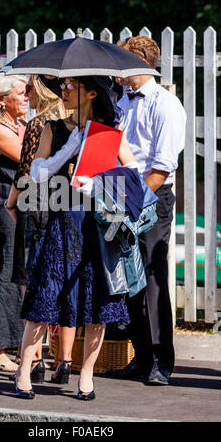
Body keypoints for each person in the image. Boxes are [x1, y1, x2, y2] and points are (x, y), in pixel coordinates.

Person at [14, 74, 137, 400]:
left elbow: (134, 177)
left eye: (71, 86)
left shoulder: (109, 134)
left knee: (98, 304)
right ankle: (24, 370)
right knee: (44, 298)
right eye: (63, 85)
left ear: (91, 92)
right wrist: (67, 150)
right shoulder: (54, 128)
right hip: (60, 224)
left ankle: (86, 376)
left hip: (97, 228)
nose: (64, 90)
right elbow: (35, 175)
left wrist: (102, 184)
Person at [107, 36, 186, 385]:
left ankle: (160, 361)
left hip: (152, 198)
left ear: (139, 62)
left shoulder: (165, 103)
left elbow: (163, 165)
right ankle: (139, 356)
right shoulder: (121, 101)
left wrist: (133, 202)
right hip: (120, 196)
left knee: (153, 279)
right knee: (129, 279)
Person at [6, 74, 70, 378]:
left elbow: (25, 173)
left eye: (30, 88)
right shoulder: (75, 125)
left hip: (36, 208)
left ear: (42, 90)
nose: (26, 94)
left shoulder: (39, 125)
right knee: (61, 286)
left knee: (32, 285)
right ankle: (63, 360)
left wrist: (9, 202)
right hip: (65, 208)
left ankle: (33, 361)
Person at [0, 73, 28, 371]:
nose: (26, 98)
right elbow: (30, 158)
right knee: (6, 271)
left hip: (24, 205)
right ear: (3, 100)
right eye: (21, 94)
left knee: (22, 273)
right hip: (5, 207)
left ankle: (21, 345)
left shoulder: (21, 125)